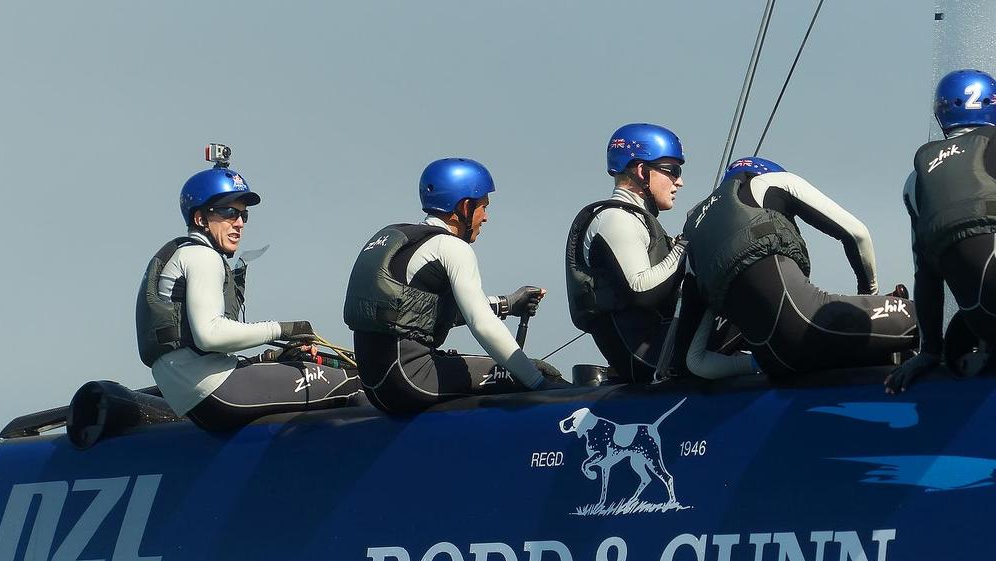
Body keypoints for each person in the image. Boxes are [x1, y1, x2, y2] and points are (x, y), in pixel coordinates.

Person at [136, 146, 365, 431]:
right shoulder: (202, 256)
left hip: (196, 396)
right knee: (354, 382)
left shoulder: (179, 254)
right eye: (229, 212)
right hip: (218, 391)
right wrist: (282, 329)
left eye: (244, 215)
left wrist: (266, 359)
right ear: (200, 219)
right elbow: (210, 336)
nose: (240, 223)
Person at [344, 157, 565, 413]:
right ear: (465, 206)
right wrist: (538, 383)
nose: (486, 218)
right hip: (412, 380)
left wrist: (508, 304)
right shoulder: (452, 247)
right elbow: (481, 323)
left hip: (377, 387)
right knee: (534, 371)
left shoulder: (405, 241)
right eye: (484, 207)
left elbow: (424, 313)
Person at [676, 156, 917, 379]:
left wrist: (753, 365)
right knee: (928, 317)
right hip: (809, 324)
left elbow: (694, 362)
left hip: (775, 364)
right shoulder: (767, 183)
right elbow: (857, 234)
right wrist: (869, 294)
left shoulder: (695, 247)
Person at [887, 69, 996, 393]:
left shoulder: (915, 183)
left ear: (941, 114)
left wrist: (929, 351)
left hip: (983, 322)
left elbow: (926, 277)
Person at [565, 123, 687, 383]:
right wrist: (684, 248)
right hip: (648, 357)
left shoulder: (637, 220)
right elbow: (641, 289)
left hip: (659, 347)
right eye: (672, 171)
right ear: (642, 171)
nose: (679, 181)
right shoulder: (616, 219)